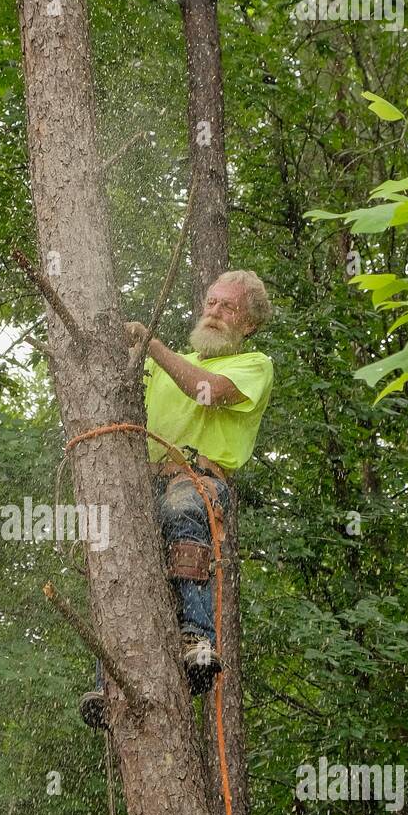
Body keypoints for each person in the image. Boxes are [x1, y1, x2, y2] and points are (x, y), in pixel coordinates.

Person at [80, 269, 274, 730]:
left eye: (229, 307)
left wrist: (153, 346)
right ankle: (110, 679)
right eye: (212, 302)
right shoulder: (163, 364)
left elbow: (208, 393)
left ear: (248, 323)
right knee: (118, 555)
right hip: (143, 481)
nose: (215, 312)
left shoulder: (253, 365)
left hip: (199, 476)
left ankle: (198, 641)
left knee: (183, 510)